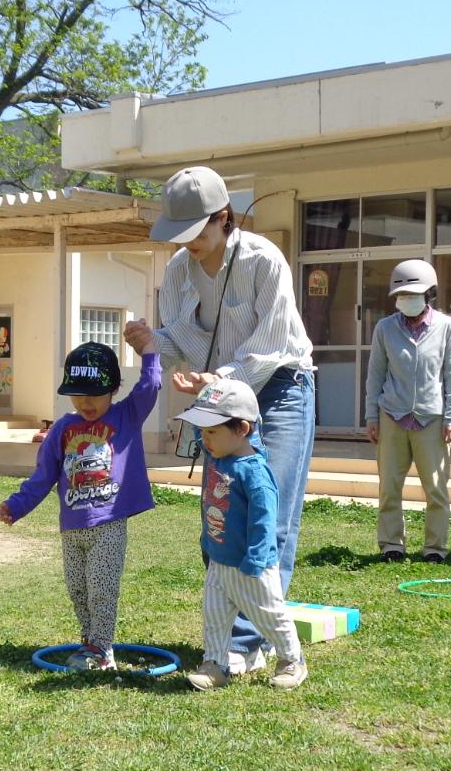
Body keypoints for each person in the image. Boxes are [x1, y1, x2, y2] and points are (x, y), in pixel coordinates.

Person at [124, 165, 315, 674]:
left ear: (223, 217)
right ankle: (230, 632)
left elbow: (270, 345)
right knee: (221, 508)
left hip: (281, 386)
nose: (187, 244)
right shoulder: (180, 271)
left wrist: (217, 382)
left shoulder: (263, 260)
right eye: (178, 234)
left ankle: (252, 642)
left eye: (196, 232)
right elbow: (182, 341)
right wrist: (153, 343)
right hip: (223, 393)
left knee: (267, 513)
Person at [0, 341, 164, 670]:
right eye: (78, 394)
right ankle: (91, 643)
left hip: (108, 522)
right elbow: (43, 476)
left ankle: (102, 650)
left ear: (114, 390)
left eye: (94, 394)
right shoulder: (62, 428)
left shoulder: (126, 416)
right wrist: (16, 506)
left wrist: (149, 350)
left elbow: (151, 385)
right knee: (78, 589)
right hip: (72, 526)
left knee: (101, 587)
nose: (86, 402)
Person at [173, 380, 307, 691]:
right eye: (203, 432)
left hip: (251, 565)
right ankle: (215, 663)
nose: (204, 439)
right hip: (220, 561)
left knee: (269, 615)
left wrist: (256, 558)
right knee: (215, 617)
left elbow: (264, 521)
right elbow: (200, 431)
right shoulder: (219, 455)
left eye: (212, 431)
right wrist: (201, 399)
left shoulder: (254, 472)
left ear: (242, 429)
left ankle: (291, 659)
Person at [363, 259, 451, 562]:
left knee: (436, 488)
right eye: (401, 296)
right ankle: (391, 545)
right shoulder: (384, 328)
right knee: (389, 487)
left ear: (429, 294)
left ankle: (435, 548)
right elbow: (375, 374)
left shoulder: (447, 327)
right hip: (391, 416)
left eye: (412, 294)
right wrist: (371, 415)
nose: (405, 300)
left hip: (432, 419)